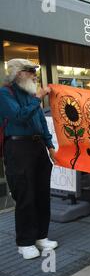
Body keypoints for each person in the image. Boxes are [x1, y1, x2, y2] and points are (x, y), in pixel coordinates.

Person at [0, 59, 58, 259]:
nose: (35, 74)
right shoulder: (5, 93)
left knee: (42, 193)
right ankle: (25, 242)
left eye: (35, 70)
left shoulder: (31, 95)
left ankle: (41, 236)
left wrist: (50, 146)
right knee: (25, 195)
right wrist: (37, 99)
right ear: (18, 74)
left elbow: (40, 121)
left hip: (37, 147)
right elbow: (18, 116)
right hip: (17, 147)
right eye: (30, 71)